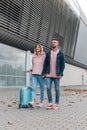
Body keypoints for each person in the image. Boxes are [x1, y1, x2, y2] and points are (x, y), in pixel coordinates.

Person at [42, 38, 65, 110]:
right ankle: (50, 103)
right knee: (48, 88)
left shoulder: (61, 53)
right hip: (49, 74)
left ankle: (56, 103)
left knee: (57, 89)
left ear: (57, 44)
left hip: (57, 75)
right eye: (52, 42)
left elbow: (63, 65)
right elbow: (45, 64)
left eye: (54, 42)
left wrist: (61, 74)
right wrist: (43, 73)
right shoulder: (48, 53)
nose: (53, 43)